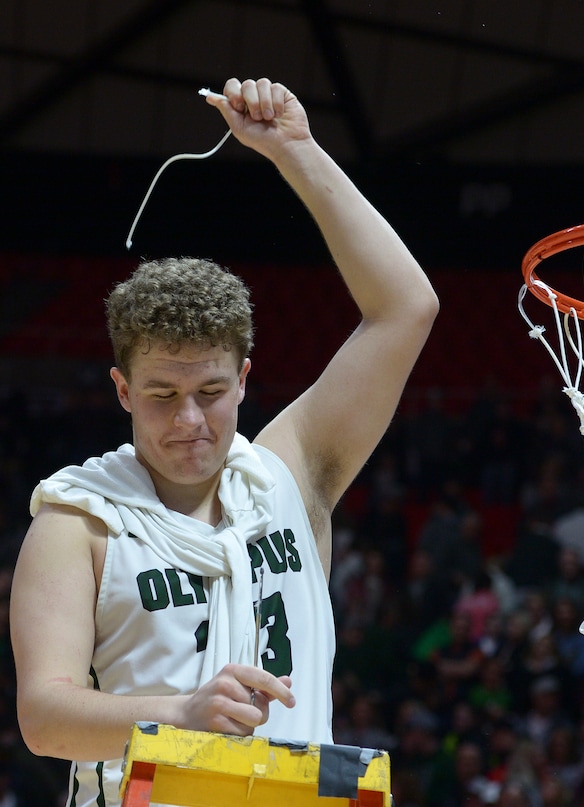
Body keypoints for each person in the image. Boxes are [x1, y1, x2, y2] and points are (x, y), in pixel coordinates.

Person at [9, 77, 439, 807]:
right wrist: (179, 713)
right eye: (161, 396)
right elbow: (44, 719)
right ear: (121, 391)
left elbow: (406, 306)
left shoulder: (290, 472)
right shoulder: (77, 521)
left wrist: (296, 151)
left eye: (210, 393)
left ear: (243, 379)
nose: (189, 421)